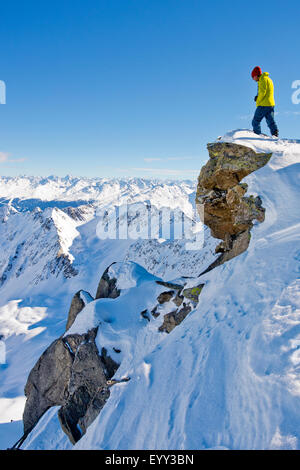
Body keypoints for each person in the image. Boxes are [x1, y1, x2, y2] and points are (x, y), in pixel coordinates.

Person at [251, 66, 279, 137]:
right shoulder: (269, 79)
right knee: (270, 121)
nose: (253, 79)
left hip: (263, 104)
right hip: (271, 104)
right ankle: (275, 134)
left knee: (255, 121)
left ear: (256, 75)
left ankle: (257, 135)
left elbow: (262, 92)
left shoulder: (262, 80)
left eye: (253, 77)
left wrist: (257, 99)